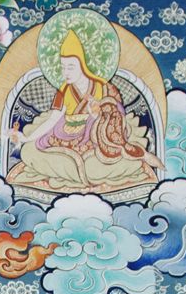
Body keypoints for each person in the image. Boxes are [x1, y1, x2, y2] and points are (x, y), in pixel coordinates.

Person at [9, 28, 164, 194]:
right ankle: (80, 175)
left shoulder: (104, 88)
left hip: (97, 141)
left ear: (83, 65)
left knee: (98, 166)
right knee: (29, 151)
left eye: (70, 67)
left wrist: (98, 115)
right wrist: (27, 138)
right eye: (63, 67)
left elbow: (118, 117)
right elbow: (52, 119)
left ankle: (79, 174)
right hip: (62, 137)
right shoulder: (63, 91)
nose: (66, 72)